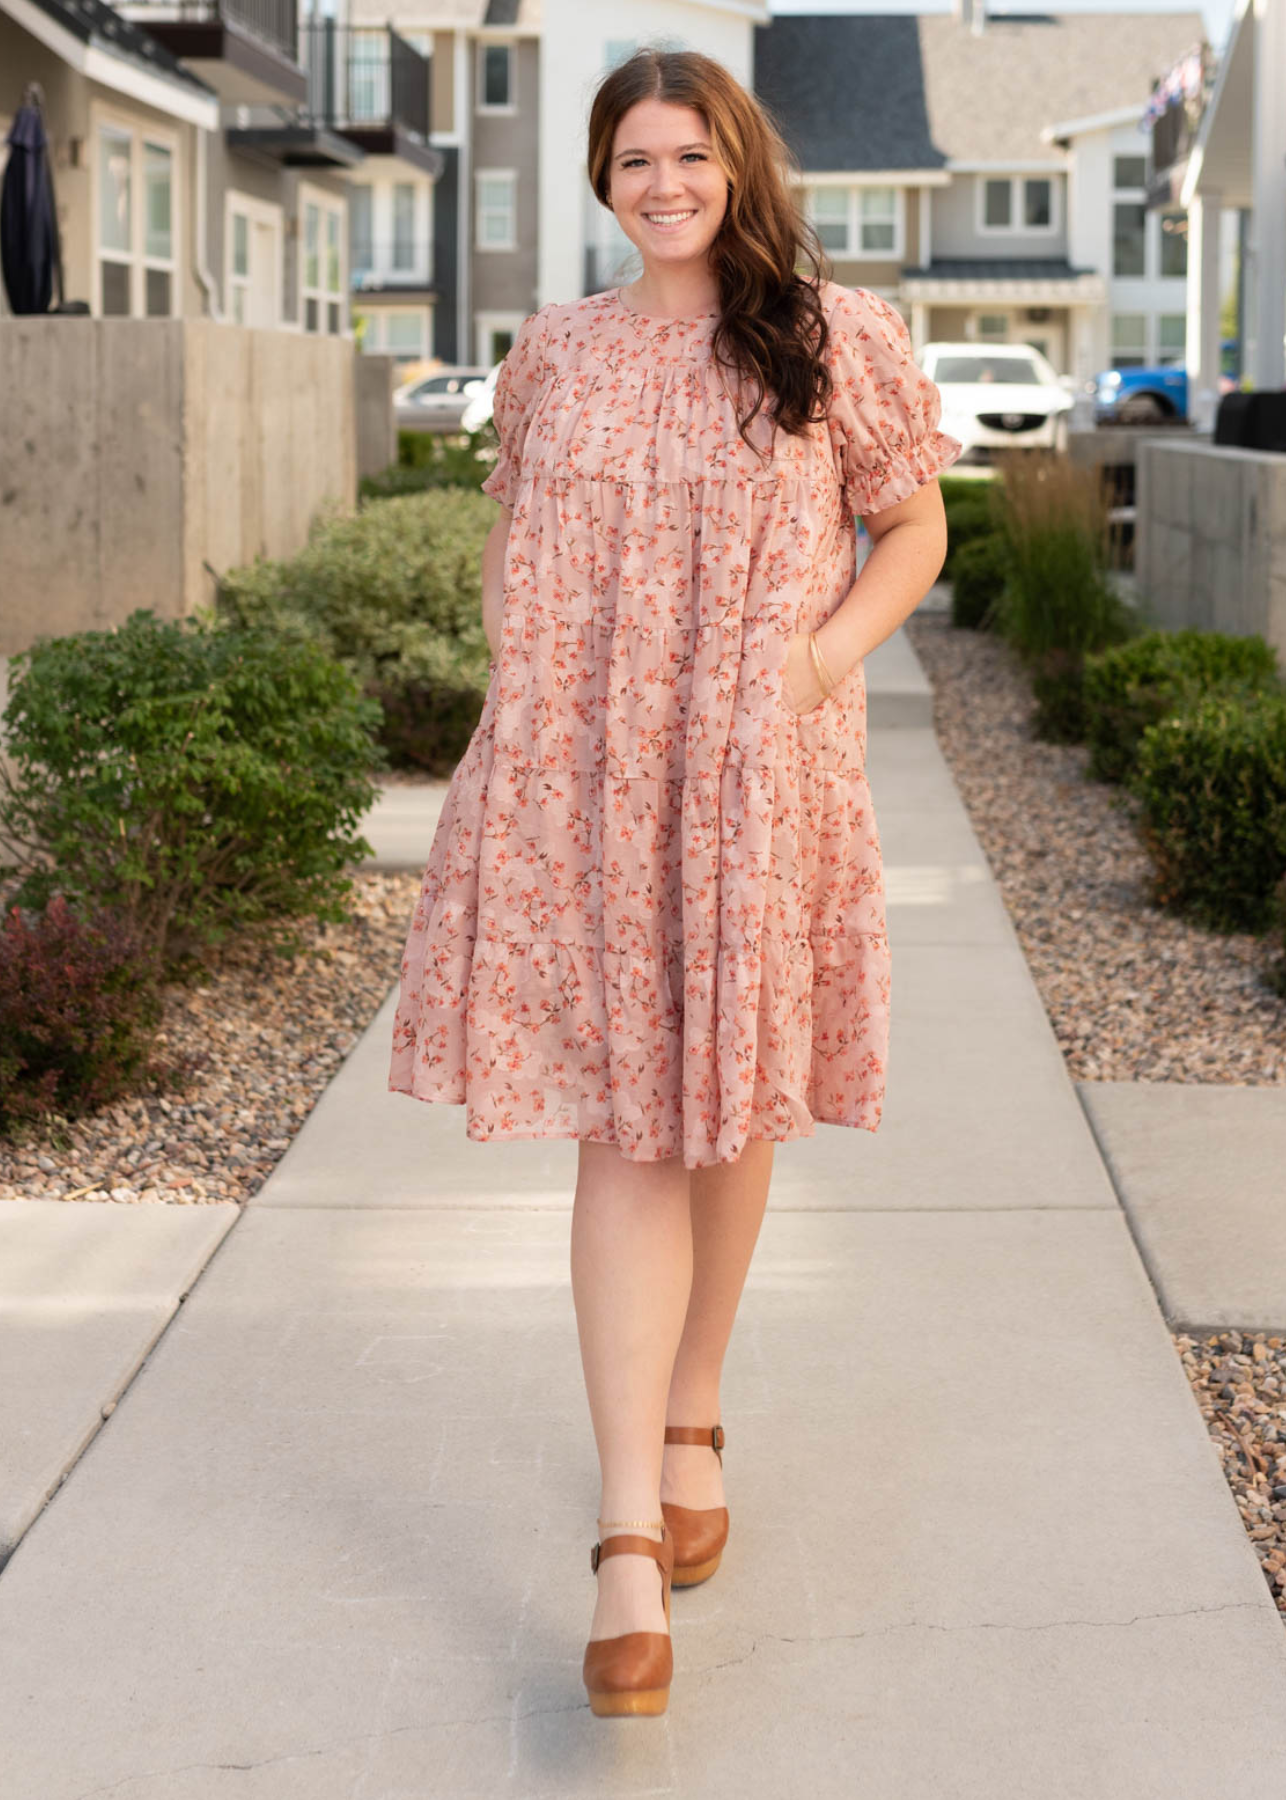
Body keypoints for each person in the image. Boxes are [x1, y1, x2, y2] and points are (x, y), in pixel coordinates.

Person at [388, 45, 960, 1718]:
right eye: (633, 159)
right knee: (623, 1118)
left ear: (738, 166)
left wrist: (808, 668)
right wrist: (522, 665)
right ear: (600, 176)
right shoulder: (556, 354)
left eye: (689, 156)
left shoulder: (833, 336)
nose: (663, 185)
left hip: (756, 774)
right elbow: (512, 529)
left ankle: (695, 1396)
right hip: (582, 781)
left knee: (732, 1106)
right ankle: (627, 1527)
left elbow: (912, 534)